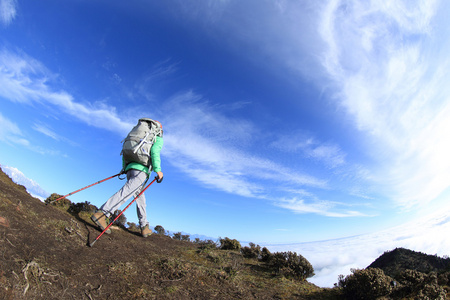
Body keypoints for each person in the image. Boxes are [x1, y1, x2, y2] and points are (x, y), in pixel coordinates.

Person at [91, 120, 164, 238]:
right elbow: (155, 152)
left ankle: (144, 226)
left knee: (141, 199)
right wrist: (158, 170)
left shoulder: (137, 133)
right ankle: (103, 213)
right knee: (126, 192)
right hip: (141, 171)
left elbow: (126, 150)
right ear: (159, 129)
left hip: (130, 168)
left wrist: (124, 168)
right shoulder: (157, 137)